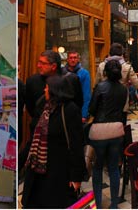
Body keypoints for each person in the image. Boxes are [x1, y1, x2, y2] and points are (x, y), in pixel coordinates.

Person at [22, 75, 84, 209]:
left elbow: (76, 145)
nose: (44, 90)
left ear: (55, 91)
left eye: (47, 88)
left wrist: (76, 177)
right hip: (37, 170)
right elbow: (33, 137)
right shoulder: (43, 107)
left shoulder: (70, 110)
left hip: (59, 173)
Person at [88, 59, 128, 209]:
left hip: (99, 130)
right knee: (113, 167)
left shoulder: (100, 87)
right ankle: (114, 205)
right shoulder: (123, 89)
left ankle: (98, 203)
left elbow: (92, 109)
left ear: (105, 72)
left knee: (97, 167)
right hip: (117, 129)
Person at [20, 51, 62, 169]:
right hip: (37, 129)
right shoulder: (32, 81)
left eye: (42, 63)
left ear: (53, 66)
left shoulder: (67, 80)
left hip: (58, 134)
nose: (38, 65)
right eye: (39, 62)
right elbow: (30, 107)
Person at [97, 43, 138, 111]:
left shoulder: (101, 66)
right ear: (122, 53)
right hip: (122, 103)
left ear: (110, 53)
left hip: (105, 102)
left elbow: (96, 84)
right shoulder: (127, 67)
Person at [63, 51, 91, 123]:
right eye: (71, 58)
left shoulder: (84, 73)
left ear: (78, 59)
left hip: (78, 107)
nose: (73, 60)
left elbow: (86, 95)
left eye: (75, 58)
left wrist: (84, 114)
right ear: (67, 59)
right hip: (64, 108)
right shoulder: (62, 72)